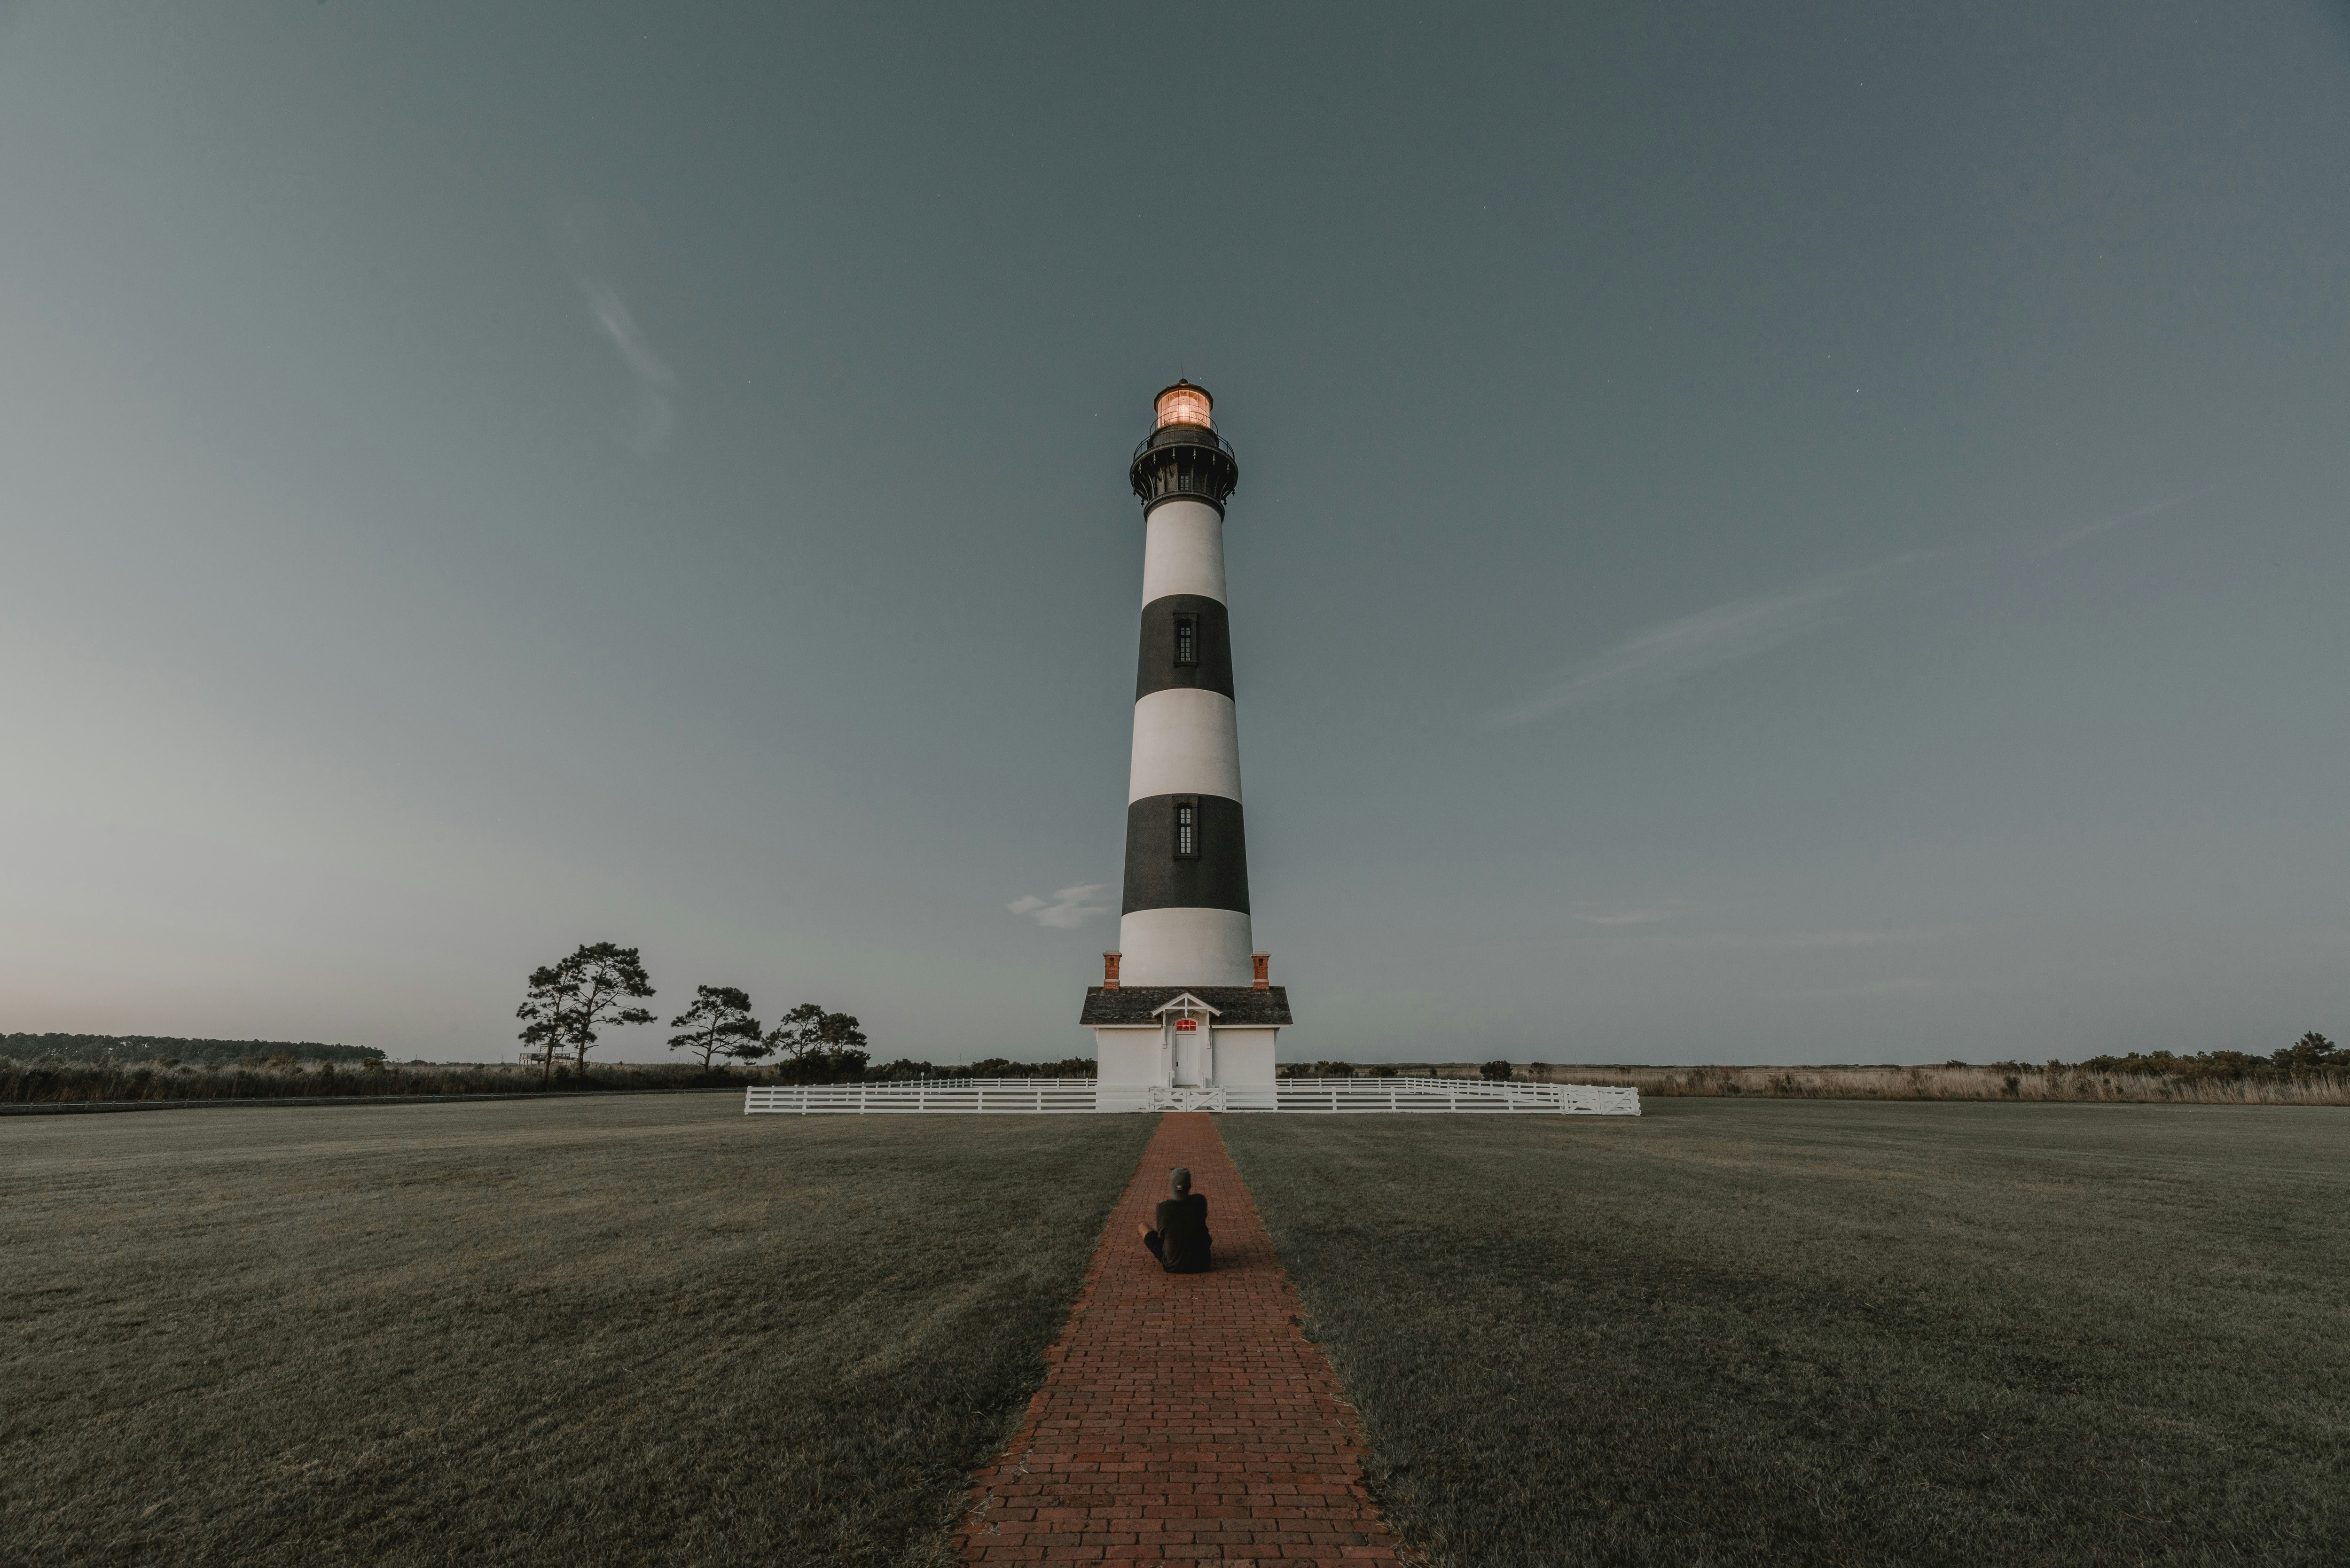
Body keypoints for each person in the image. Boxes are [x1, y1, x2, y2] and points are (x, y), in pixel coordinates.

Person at [1136, 1166, 1211, 1272]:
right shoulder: (1200, 1202)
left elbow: (1162, 1236)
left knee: (1142, 1226)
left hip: (1173, 1265)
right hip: (1202, 1265)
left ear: (1172, 1187)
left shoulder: (1163, 1208)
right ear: (1190, 1186)